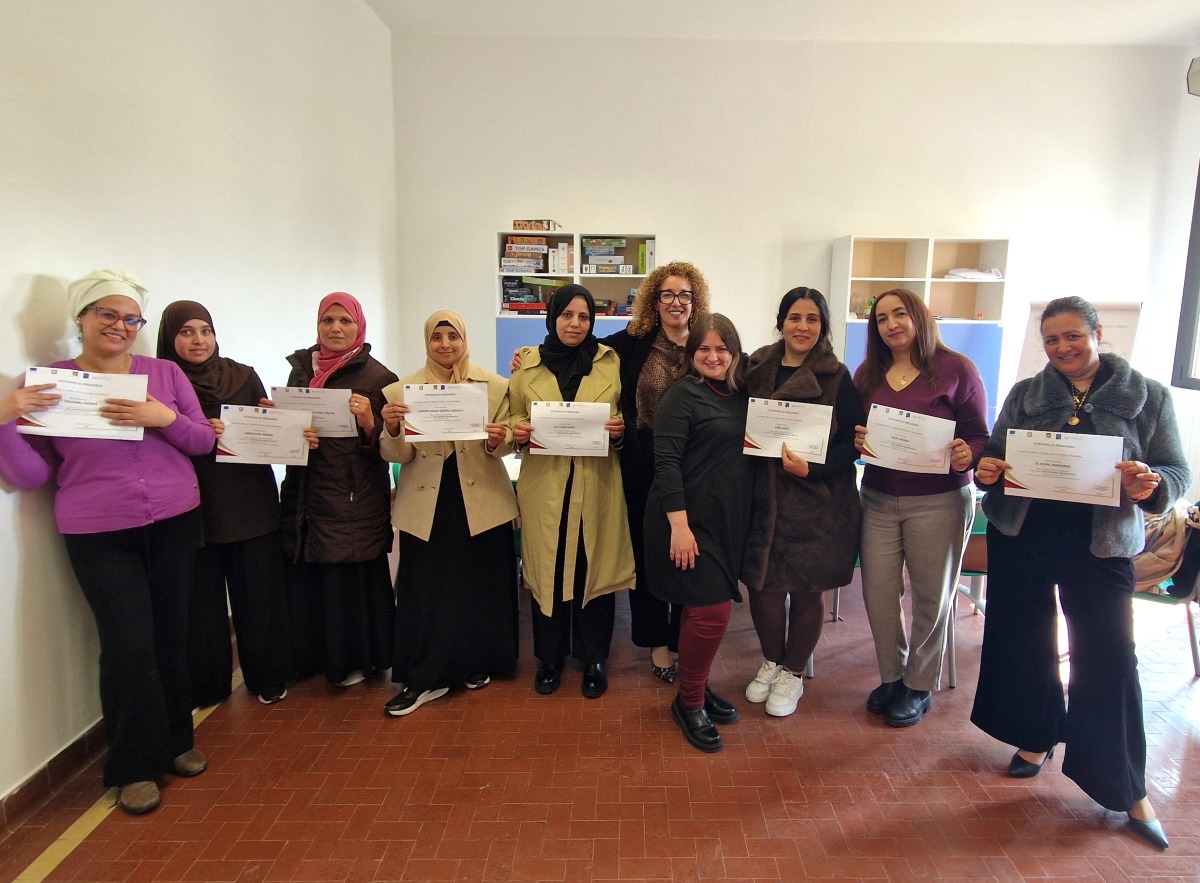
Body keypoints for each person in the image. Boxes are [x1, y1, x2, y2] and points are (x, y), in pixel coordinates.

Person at [970, 296, 1190, 851]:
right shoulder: (1026, 393)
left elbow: (1176, 472)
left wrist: (1151, 484)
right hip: (1023, 535)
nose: (1062, 347)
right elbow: (994, 456)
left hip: (1101, 545)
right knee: (1025, 641)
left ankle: (1127, 788)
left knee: (1110, 657)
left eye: (1073, 336)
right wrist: (987, 469)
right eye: (1052, 339)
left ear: (1097, 333)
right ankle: (1036, 735)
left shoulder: (1148, 396)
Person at [0, 270, 214, 815]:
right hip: (97, 531)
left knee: (171, 633)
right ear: (81, 318)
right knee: (127, 644)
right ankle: (132, 765)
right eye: (107, 314)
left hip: (174, 519)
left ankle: (177, 741)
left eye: (130, 318)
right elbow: (30, 475)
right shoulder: (49, 383)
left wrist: (162, 417)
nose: (120, 326)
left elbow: (201, 440)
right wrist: (4, 419)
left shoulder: (164, 373)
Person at [852, 288, 989, 727]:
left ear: (919, 317)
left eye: (900, 314)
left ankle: (919, 684)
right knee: (878, 592)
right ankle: (892, 676)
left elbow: (980, 435)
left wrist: (969, 453)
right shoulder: (868, 373)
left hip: (939, 499)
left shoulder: (956, 369)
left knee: (932, 595)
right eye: (881, 319)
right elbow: (854, 431)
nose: (891, 324)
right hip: (878, 496)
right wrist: (858, 439)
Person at [156, 300, 299, 707]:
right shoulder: (160, 385)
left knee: (259, 595)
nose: (198, 340)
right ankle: (207, 685)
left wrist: (278, 422)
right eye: (186, 332)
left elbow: (266, 434)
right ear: (169, 337)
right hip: (192, 505)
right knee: (201, 604)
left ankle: (268, 676)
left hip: (249, 501)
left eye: (205, 330)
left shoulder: (242, 376)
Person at [378, 311, 519, 716]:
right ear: (427, 342)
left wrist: (499, 438)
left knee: (479, 585)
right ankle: (426, 674)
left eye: (452, 336)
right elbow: (398, 455)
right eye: (436, 337)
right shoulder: (401, 392)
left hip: (482, 500)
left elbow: (509, 442)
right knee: (428, 589)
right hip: (428, 502)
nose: (445, 345)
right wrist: (392, 429)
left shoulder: (494, 386)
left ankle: (477, 661)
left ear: (464, 339)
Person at [741, 288, 864, 717]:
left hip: (818, 502)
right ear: (781, 322)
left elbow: (852, 445)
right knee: (762, 587)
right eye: (795, 317)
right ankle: (771, 662)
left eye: (812, 319)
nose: (803, 327)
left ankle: (793, 672)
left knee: (807, 590)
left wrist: (813, 469)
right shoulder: (755, 367)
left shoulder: (837, 376)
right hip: (761, 498)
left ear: (822, 327)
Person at [509, 284, 633, 699]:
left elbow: (624, 416)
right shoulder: (526, 364)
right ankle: (549, 658)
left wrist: (619, 431)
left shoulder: (609, 362)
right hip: (545, 486)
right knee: (547, 568)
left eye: (583, 317)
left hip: (595, 484)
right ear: (553, 317)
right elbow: (511, 417)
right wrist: (516, 432)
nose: (575, 324)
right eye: (567, 315)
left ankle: (594, 657)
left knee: (592, 566)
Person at [276, 292, 398, 688]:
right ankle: (313, 657)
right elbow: (289, 430)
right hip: (305, 492)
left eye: (345, 321)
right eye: (328, 320)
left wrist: (369, 422)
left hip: (353, 496)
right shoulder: (301, 370)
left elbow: (389, 446)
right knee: (311, 575)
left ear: (359, 326)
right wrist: (278, 424)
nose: (336, 328)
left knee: (351, 578)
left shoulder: (379, 378)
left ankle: (356, 659)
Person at [644, 313, 751, 753]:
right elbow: (666, 463)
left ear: (735, 352)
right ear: (691, 355)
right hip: (685, 522)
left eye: (721, 349)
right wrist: (680, 527)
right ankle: (689, 703)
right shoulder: (681, 395)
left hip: (725, 522)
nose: (713, 356)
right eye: (703, 349)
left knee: (697, 612)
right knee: (711, 613)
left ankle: (697, 685)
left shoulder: (743, 394)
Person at [604, 262, 711, 684]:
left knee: (689, 551)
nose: (676, 302)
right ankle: (656, 643)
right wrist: (530, 354)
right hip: (643, 462)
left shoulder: (706, 343)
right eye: (667, 294)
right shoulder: (632, 343)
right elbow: (580, 346)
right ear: (654, 300)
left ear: (695, 301)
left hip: (694, 463)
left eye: (684, 294)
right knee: (647, 554)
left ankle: (684, 637)